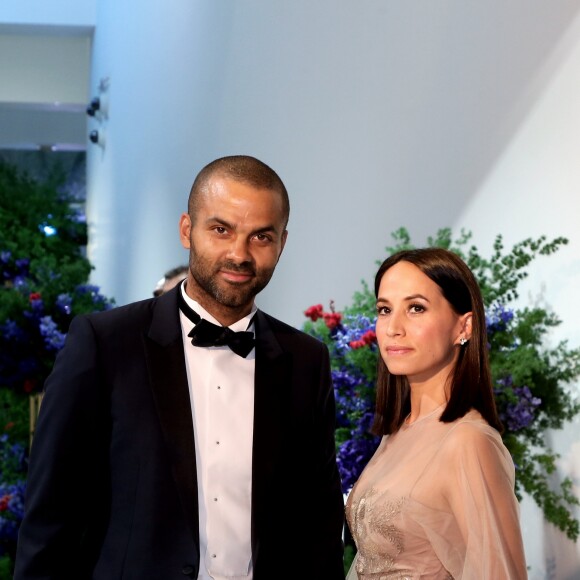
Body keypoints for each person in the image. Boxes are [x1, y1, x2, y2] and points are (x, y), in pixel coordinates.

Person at [15, 155, 345, 579]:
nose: (239, 254)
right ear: (187, 230)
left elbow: (317, 522)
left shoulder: (305, 360)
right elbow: (51, 514)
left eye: (261, 237)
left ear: (282, 243)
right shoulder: (104, 343)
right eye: (221, 229)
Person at [345, 248, 527, 579]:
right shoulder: (398, 433)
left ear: (464, 327)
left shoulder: (469, 442)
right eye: (384, 310)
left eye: (416, 308)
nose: (393, 327)